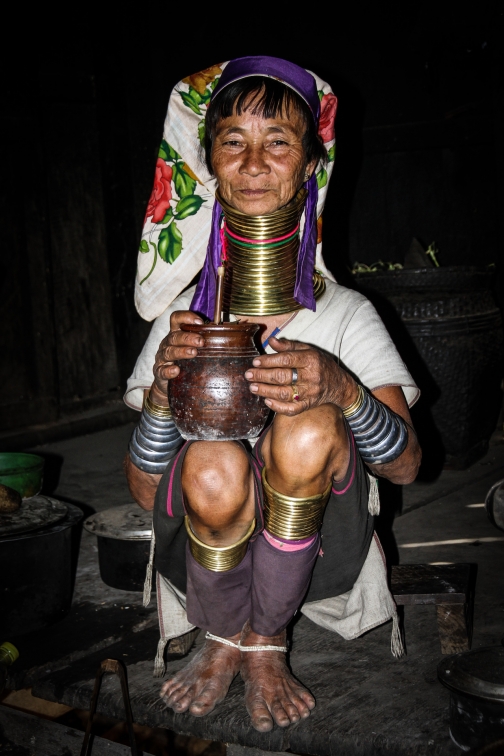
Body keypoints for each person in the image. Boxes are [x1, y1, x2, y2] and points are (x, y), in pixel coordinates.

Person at [124, 56, 421, 733]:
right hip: (201, 544)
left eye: (278, 141)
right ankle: (225, 637)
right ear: (212, 168)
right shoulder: (186, 321)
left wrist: (343, 389)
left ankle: (268, 642)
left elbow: (407, 466)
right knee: (211, 459)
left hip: (323, 550)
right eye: (233, 141)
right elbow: (145, 492)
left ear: (309, 166)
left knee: (311, 422)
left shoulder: (344, 314)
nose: (255, 162)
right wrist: (170, 392)